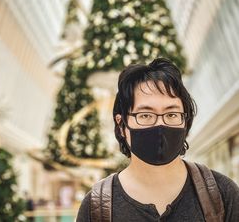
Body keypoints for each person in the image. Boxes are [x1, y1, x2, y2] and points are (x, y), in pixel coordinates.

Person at [76, 58, 239, 221]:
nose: (160, 124)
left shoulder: (222, 195)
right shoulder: (96, 207)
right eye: (145, 115)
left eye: (171, 114)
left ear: (185, 121)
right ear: (121, 125)